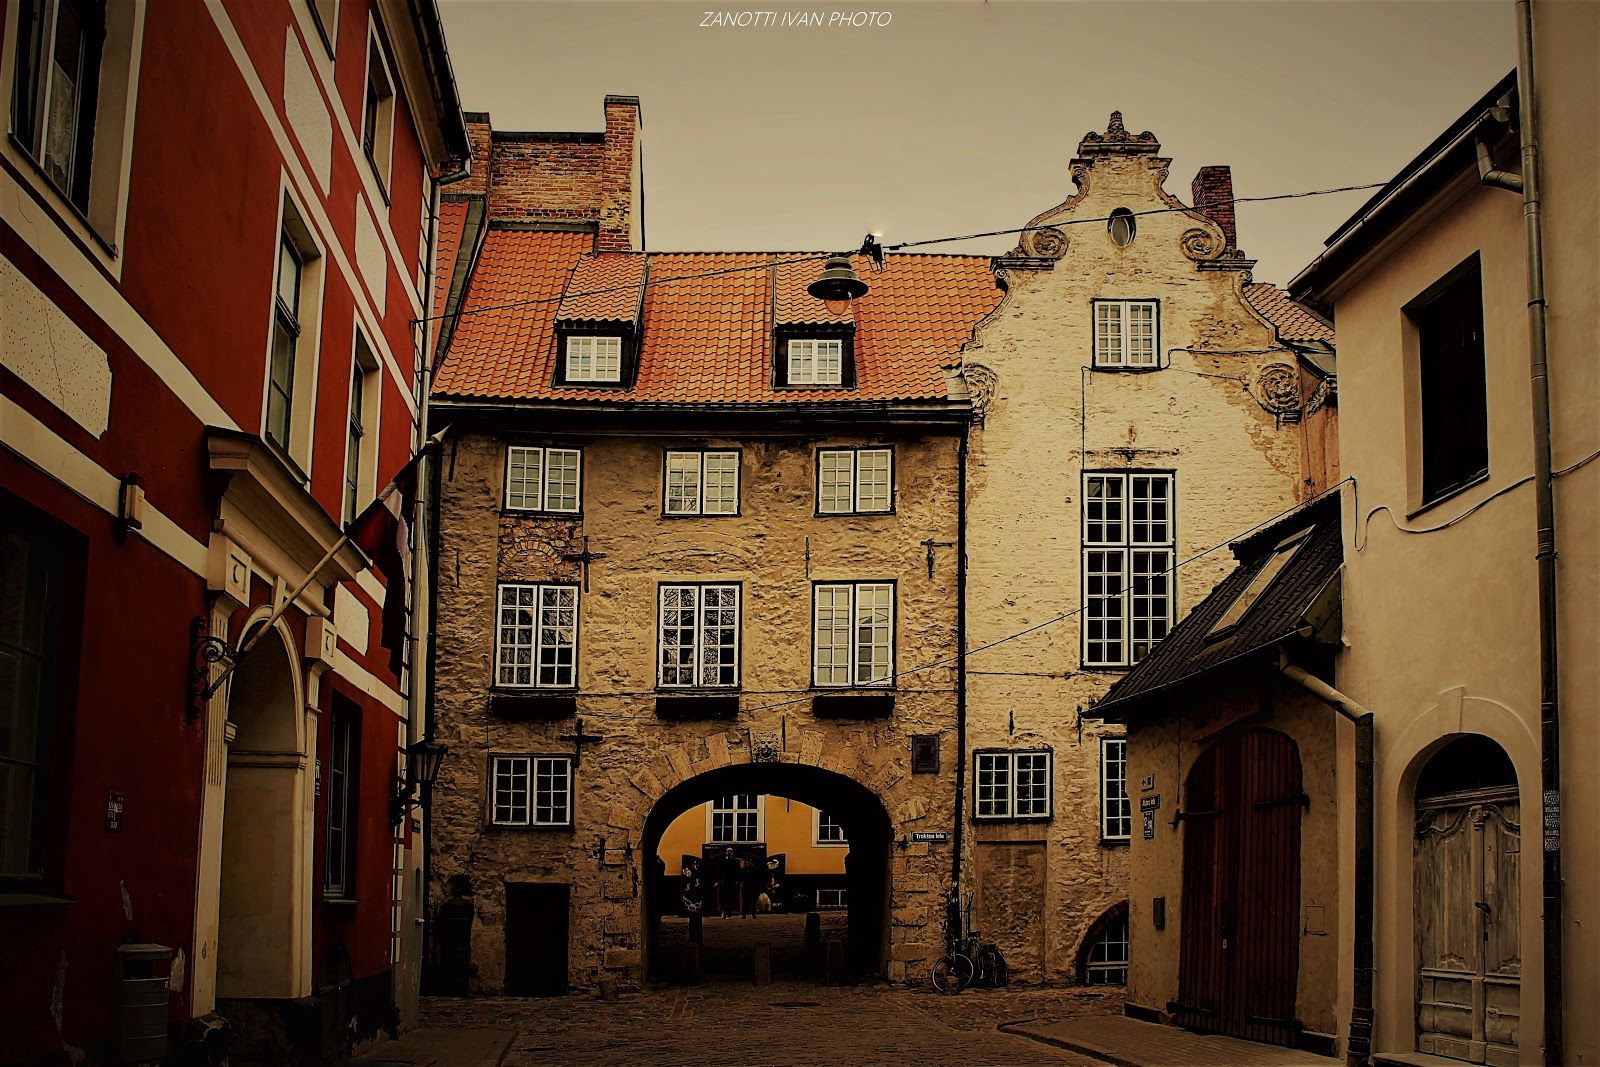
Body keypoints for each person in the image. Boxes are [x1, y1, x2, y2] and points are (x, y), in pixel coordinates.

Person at [718, 847, 740, 918]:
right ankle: (724, 911)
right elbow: (719, 871)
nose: (729, 852)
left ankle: (728, 913)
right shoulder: (722, 860)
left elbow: (737, 871)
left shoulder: (735, 861)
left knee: (730, 898)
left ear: (732, 852)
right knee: (724, 897)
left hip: (731, 882)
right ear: (726, 852)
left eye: (731, 851)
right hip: (724, 882)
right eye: (728, 851)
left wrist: (737, 880)